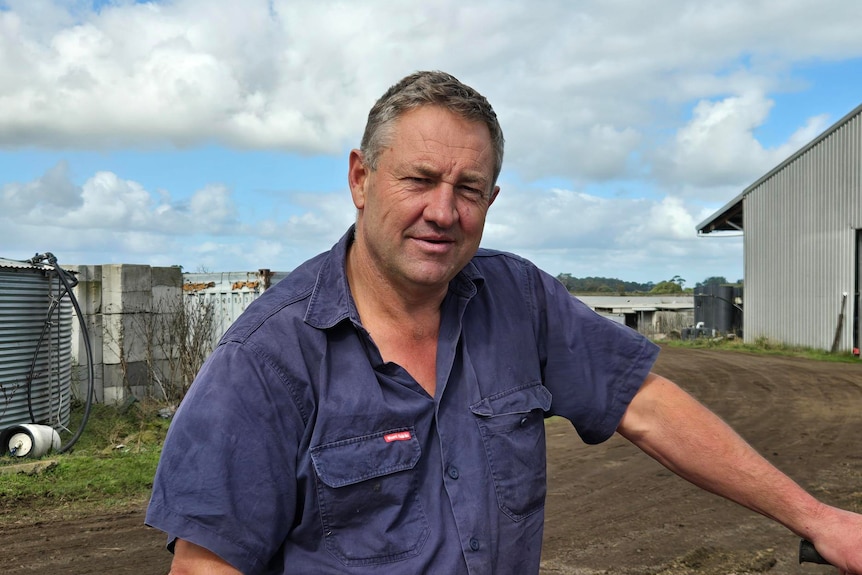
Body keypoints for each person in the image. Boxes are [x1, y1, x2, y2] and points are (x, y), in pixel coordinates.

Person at [146, 70, 862, 575]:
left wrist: (816, 517)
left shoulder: (517, 299)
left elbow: (644, 403)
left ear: (492, 198)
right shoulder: (267, 359)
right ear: (361, 178)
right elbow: (207, 562)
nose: (444, 211)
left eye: (469, 189)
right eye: (420, 179)